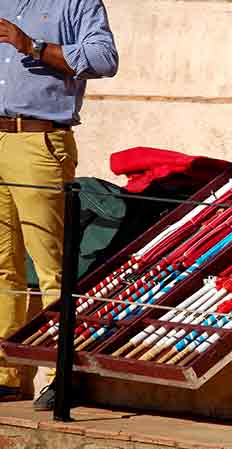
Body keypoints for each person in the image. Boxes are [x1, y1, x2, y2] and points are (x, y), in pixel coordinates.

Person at [0, 0, 118, 410]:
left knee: (51, 262)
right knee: (2, 264)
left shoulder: (77, 2)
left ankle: (61, 373)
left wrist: (33, 47)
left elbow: (105, 59)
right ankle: (8, 374)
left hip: (39, 139)